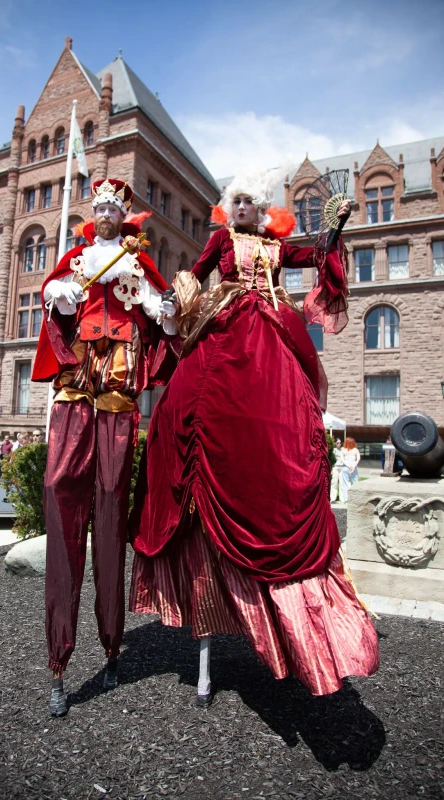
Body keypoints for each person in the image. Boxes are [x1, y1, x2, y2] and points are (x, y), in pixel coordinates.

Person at [129, 166, 379, 700]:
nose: (241, 208)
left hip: (271, 329)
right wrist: (171, 303)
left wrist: (332, 231)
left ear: (262, 209)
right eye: (235, 200)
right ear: (227, 206)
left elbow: (312, 258)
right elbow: (192, 277)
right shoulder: (220, 241)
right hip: (226, 328)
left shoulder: (276, 246)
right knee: (189, 411)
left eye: (250, 202)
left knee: (287, 420)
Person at [32, 178, 178, 717]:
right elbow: (54, 301)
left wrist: (160, 308)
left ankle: (113, 643)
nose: (110, 214)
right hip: (75, 385)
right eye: (103, 208)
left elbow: (163, 318)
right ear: (95, 215)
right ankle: (59, 658)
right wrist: (58, 297)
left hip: (117, 392)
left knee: (113, 506)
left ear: (125, 214)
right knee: (58, 490)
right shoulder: (78, 258)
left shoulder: (134, 262)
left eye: (117, 207)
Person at [339, 437, 361, 502]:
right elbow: (358, 458)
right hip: (354, 468)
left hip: (345, 468)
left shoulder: (343, 450)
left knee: (345, 484)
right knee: (355, 482)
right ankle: (356, 499)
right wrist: (353, 466)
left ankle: (346, 499)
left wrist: (348, 466)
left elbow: (342, 459)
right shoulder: (355, 450)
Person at [330, 437, 344, 503]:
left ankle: (342, 498)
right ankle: (333, 498)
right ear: (335, 443)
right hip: (335, 467)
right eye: (338, 443)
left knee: (341, 483)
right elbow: (331, 460)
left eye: (340, 443)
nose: (339, 444)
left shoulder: (343, 450)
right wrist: (331, 469)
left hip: (342, 467)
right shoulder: (333, 450)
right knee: (334, 483)